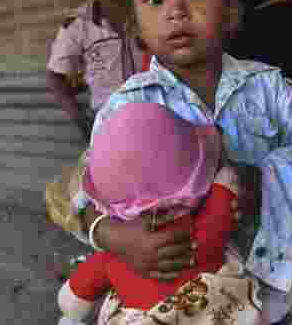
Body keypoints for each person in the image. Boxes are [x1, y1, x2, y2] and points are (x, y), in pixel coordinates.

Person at [68, 0, 292, 325]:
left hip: (260, 297)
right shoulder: (127, 107)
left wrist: (263, 179)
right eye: (155, 0)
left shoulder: (269, 89)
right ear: (135, 24)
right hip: (161, 304)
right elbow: (88, 195)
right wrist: (118, 238)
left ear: (230, 8)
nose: (176, 12)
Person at [56, 102, 262, 325]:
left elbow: (77, 291)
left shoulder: (117, 250)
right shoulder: (198, 236)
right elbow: (221, 206)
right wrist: (226, 189)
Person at [47, 0, 145, 142]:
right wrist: (80, 118)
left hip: (160, 121)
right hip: (110, 132)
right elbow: (54, 77)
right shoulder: (78, 25)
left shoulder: (150, 11)